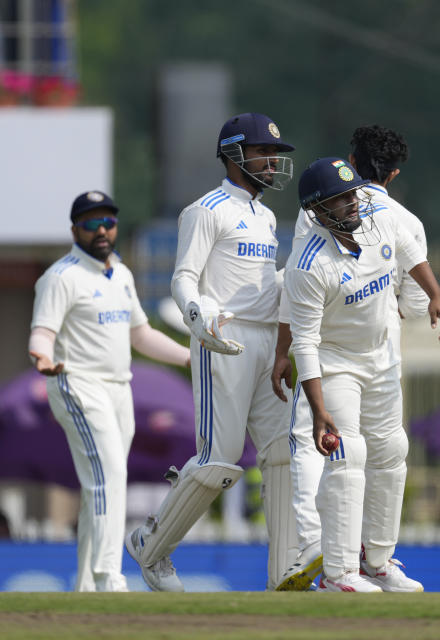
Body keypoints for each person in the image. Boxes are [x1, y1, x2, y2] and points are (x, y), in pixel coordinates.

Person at [125, 113, 300, 591]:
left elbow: (262, 284)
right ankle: (152, 546)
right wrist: (198, 315)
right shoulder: (206, 209)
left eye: (275, 154)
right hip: (224, 338)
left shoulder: (264, 216)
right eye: (264, 152)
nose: (271, 162)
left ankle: (285, 571)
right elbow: (183, 277)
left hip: (269, 341)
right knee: (219, 460)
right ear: (234, 154)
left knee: (283, 453)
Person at [271, 125, 429, 591]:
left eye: (354, 195)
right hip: (334, 359)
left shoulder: (383, 222)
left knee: (392, 452)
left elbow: (414, 266)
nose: (354, 205)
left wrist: (430, 295)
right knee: (344, 450)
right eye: (342, 200)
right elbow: (304, 328)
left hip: (379, 357)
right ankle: (337, 568)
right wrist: (316, 405)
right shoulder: (312, 254)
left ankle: (377, 561)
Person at [29, 191, 190, 592]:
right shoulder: (61, 276)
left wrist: (191, 358)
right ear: (74, 230)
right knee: (111, 473)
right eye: (90, 223)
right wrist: (43, 358)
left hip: (120, 388)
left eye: (107, 222)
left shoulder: (121, 274)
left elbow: (141, 335)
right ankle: (108, 576)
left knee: (99, 483)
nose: (101, 230)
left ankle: (86, 584)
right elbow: (42, 332)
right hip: (77, 384)